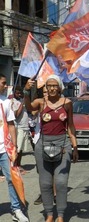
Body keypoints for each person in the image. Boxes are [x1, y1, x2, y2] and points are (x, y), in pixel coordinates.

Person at [24, 75, 79, 222]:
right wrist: (26, 91)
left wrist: (74, 146)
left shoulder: (67, 103)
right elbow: (29, 107)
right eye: (49, 86)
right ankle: (49, 213)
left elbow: (71, 126)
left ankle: (60, 214)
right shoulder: (41, 102)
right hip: (42, 145)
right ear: (46, 88)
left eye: (55, 85)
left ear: (60, 87)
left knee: (61, 182)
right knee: (45, 183)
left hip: (63, 145)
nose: (52, 88)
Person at [0, 73, 29, 222]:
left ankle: (16, 209)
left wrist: (15, 147)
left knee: (13, 179)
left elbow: (11, 124)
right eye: (3, 83)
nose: (6, 86)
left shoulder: (5, 103)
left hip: (4, 148)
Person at [11, 86, 30, 175]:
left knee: (21, 148)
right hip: (18, 127)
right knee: (17, 148)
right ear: (14, 93)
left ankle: (19, 164)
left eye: (20, 93)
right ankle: (14, 166)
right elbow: (15, 115)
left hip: (25, 127)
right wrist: (21, 105)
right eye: (17, 93)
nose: (19, 94)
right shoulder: (13, 102)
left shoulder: (21, 101)